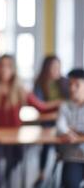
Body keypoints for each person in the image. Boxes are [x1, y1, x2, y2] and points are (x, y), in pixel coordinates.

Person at [0, 55, 61, 187]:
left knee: (16, 158)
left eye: (8, 66)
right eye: (1, 66)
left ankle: (3, 181)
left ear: (13, 69)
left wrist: (63, 105)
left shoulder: (20, 90)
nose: (4, 69)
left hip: (14, 136)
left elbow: (42, 107)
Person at [32, 55, 68, 186]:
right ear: (47, 68)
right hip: (47, 120)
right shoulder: (40, 82)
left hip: (63, 119)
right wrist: (59, 103)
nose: (56, 70)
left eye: (58, 67)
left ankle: (61, 166)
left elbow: (70, 104)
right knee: (46, 144)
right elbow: (40, 105)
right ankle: (42, 173)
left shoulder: (65, 82)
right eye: (54, 67)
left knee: (64, 137)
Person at [56, 68, 84, 188]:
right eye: (70, 84)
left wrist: (76, 132)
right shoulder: (64, 106)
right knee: (69, 182)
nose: (72, 88)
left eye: (77, 85)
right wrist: (69, 132)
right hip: (73, 157)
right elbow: (60, 127)